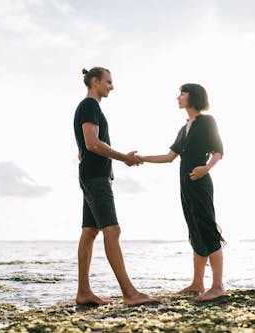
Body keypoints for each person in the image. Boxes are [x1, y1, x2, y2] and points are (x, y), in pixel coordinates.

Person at [73, 66, 160, 306]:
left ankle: (83, 292)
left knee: (90, 232)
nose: (112, 86)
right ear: (94, 81)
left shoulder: (89, 107)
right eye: (108, 82)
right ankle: (129, 293)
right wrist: (125, 158)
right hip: (95, 178)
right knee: (112, 230)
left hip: (91, 175)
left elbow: (84, 147)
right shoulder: (89, 106)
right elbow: (92, 143)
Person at [138, 83, 225, 301]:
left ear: (193, 97)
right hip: (185, 185)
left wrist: (206, 168)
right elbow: (169, 157)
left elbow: (218, 151)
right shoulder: (184, 128)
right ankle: (197, 283)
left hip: (201, 183)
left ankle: (217, 286)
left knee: (207, 228)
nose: (178, 98)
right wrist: (141, 158)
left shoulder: (207, 121)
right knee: (194, 229)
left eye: (182, 94)